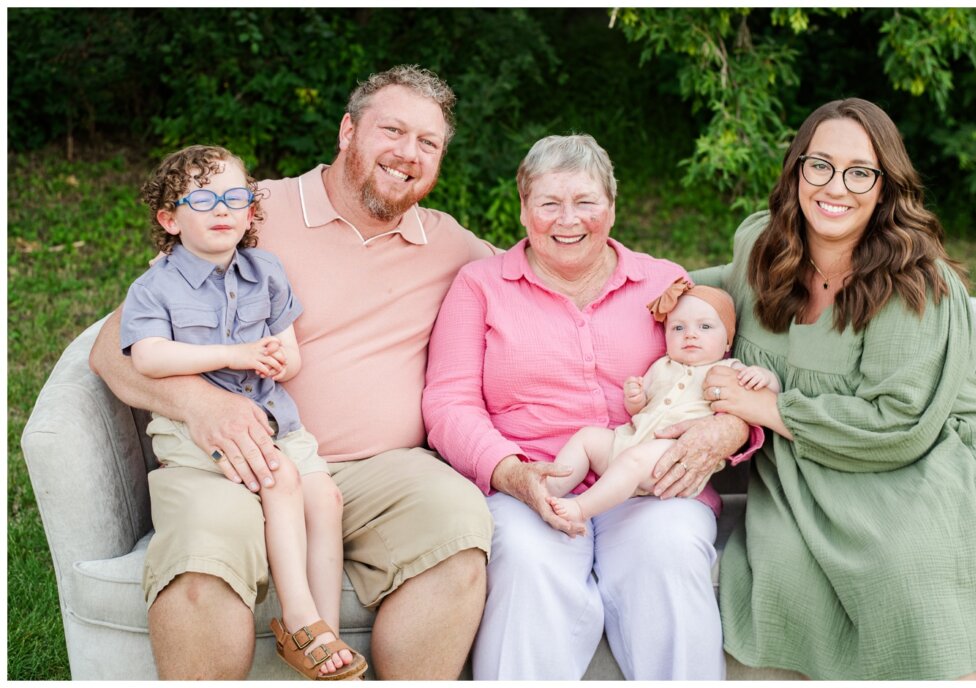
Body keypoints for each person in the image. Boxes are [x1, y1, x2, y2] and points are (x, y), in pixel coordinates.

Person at [89, 65, 496, 680]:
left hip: (380, 472)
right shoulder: (248, 210)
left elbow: (557, 270)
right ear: (347, 131)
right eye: (392, 130)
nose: (408, 153)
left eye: (428, 142)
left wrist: (692, 299)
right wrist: (204, 407)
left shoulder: (452, 247)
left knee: (457, 526)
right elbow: (111, 346)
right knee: (202, 564)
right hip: (235, 460)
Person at [694, 98, 976, 680]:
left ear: (885, 186)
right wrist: (653, 289)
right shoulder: (764, 246)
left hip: (925, 449)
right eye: (819, 165)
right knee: (785, 566)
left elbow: (899, 423)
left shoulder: (915, 282)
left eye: (859, 172)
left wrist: (760, 404)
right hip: (810, 459)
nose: (834, 187)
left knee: (906, 563)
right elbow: (719, 290)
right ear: (796, 171)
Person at [421, 134, 763, 680]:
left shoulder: (663, 282)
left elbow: (721, 374)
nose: (567, 220)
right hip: (532, 480)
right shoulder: (481, 285)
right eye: (549, 204)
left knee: (669, 553)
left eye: (585, 202)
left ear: (612, 206)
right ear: (523, 210)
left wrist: (724, 431)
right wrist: (509, 473)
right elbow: (448, 401)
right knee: (529, 564)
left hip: (656, 481)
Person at [120, 144, 367, 680]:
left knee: (324, 496)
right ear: (170, 218)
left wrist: (280, 360)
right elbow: (148, 356)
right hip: (196, 429)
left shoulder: (267, 271)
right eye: (202, 199)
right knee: (280, 479)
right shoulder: (154, 285)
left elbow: (289, 349)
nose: (222, 209)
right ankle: (298, 619)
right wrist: (232, 355)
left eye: (235, 197)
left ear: (252, 211)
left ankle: (322, 631)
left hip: (273, 416)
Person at [546, 281, 779, 529]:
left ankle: (581, 508)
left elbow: (765, 395)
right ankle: (549, 488)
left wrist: (766, 378)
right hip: (628, 442)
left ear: (726, 342)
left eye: (705, 327)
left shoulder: (730, 370)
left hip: (674, 459)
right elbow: (638, 410)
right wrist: (635, 398)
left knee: (633, 461)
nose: (690, 334)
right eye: (678, 327)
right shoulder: (661, 366)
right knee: (588, 438)